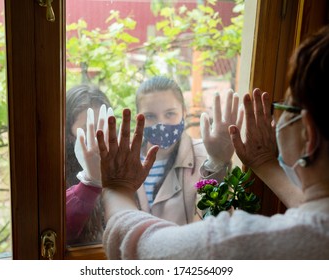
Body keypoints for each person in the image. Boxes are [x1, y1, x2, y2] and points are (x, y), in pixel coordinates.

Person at [97, 25, 329, 259]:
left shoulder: (245, 242)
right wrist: (264, 162)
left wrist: (116, 187)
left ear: (308, 133)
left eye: (284, 108)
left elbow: (143, 251)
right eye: (150, 116)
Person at [134, 76, 243, 224]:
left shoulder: (206, 157)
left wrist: (218, 163)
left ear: (184, 113)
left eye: (170, 114)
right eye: (150, 116)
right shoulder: (126, 161)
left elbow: (219, 222)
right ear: (138, 119)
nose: (161, 123)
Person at [65, 84, 113, 245]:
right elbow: (61, 232)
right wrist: (91, 181)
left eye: (104, 126)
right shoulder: (55, 168)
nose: (98, 137)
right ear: (68, 133)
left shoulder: (118, 165)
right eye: (88, 129)